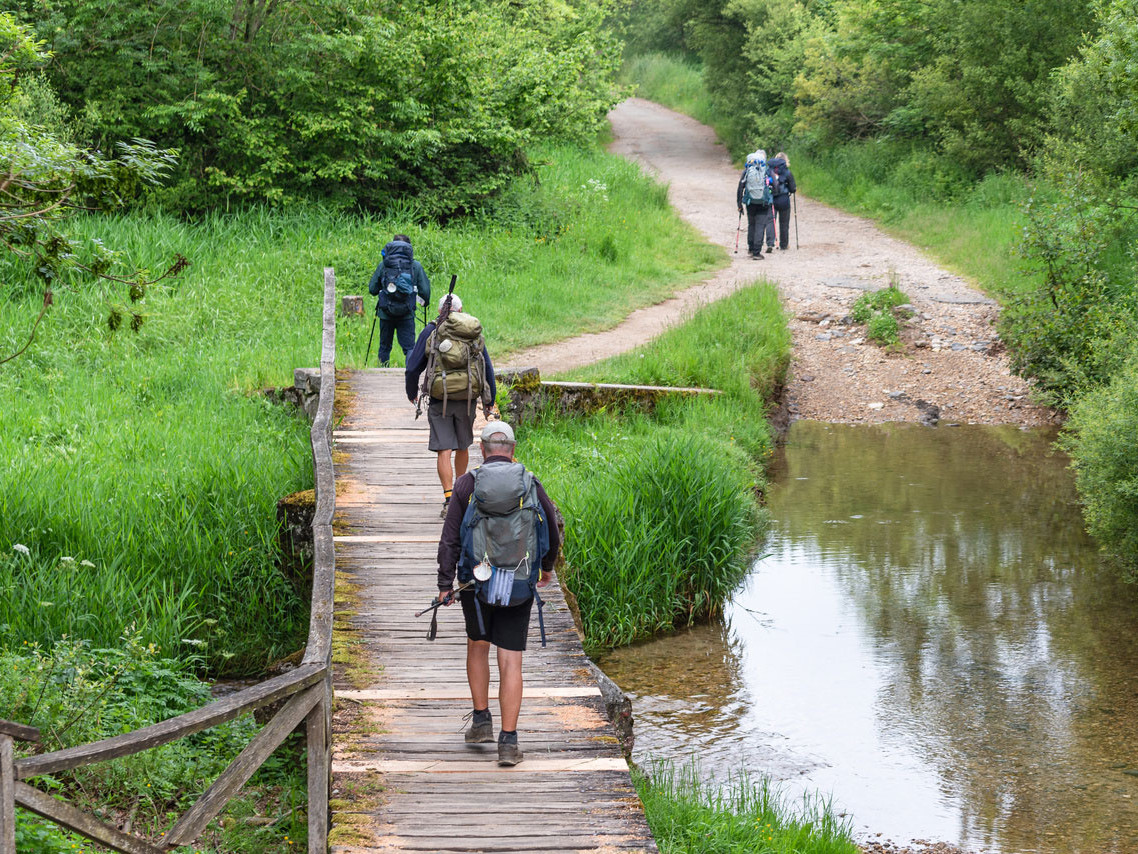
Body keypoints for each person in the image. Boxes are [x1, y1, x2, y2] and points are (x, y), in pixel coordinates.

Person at [435, 420, 561, 766]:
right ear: (513, 450)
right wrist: (546, 567)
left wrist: (446, 584)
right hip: (519, 584)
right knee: (511, 659)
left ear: (482, 449)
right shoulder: (530, 482)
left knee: (478, 647)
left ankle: (480, 721)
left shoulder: (466, 485)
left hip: (476, 585)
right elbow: (551, 527)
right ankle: (508, 743)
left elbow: (450, 539)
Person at [405, 293, 496, 517]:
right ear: (461, 309)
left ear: (440, 311)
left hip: (440, 398)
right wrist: (489, 400)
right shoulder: (471, 332)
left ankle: (448, 497)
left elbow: (412, 367)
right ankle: (461, 495)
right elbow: (487, 367)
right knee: (463, 445)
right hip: (467, 398)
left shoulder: (432, 330)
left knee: (444, 448)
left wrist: (412, 392)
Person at [367, 233, 431, 366]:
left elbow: (372, 289)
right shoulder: (415, 266)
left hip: (386, 312)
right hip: (407, 312)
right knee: (409, 348)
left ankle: (382, 374)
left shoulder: (384, 265)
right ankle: (410, 375)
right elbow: (424, 290)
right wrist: (425, 302)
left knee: (385, 347)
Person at [736, 150, 773, 260]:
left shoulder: (747, 171)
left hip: (750, 202)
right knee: (760, 225)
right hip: (763, 203)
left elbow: (740, 187)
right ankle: (757, 252)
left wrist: (739, 204)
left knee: (751, 224)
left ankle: (751, 248)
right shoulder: (766, 171)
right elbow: (774, 186)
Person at [767, 152, 797, 251]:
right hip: (784, 199)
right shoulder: (787, 172)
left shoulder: (769, 170)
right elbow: (793, 188)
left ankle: (770, 243)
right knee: (784, 223)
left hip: (772, 199)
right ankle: (784, 245)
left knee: (771, 221)